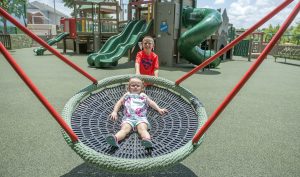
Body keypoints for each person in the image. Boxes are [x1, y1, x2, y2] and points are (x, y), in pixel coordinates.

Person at [106, 77, 168, 148]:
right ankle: (115, 139)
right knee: (124, 130)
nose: (135, 87)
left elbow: (151, 103)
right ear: (129, 87)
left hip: (141, 118)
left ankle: (147, 140)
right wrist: (114, 111)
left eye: (138, 86)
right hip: (128, 119)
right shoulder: (127, 95)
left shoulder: (143, 95)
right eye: (133, 85)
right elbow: (119, 102)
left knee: (142, 129)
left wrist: (159, 109)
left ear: (142, 88)